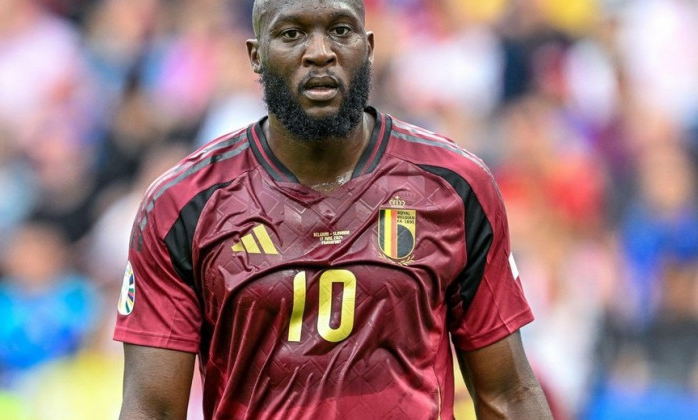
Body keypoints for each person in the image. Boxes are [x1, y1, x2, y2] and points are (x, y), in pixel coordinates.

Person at [114, 0, 554, 418]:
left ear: (370, 48)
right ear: (255, 56)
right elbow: (152, 410)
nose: (320, 53)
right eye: (291, 34)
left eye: (341, 31)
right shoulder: (182, 205)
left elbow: (510, 393)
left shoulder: (455, 186)